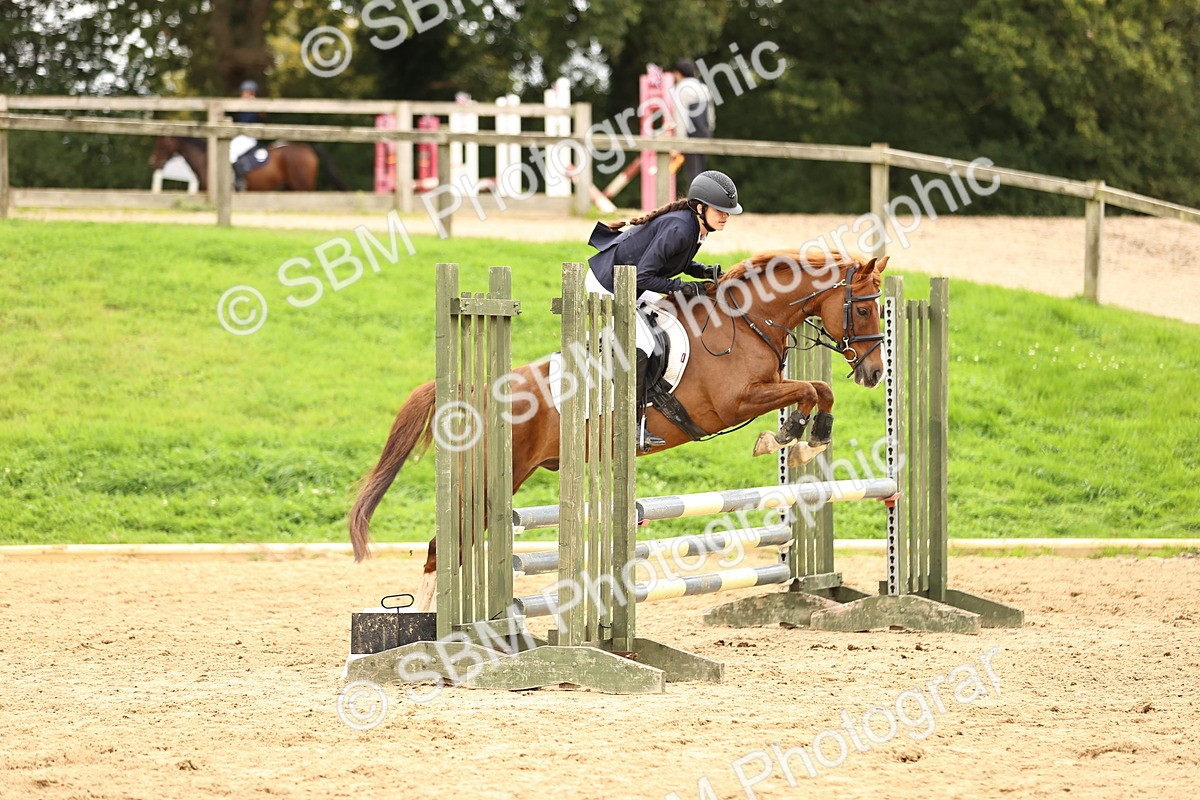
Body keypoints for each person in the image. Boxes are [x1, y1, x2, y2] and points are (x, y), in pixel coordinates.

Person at [587, 170, 743, 451]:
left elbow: (673, 261)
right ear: (700, 207)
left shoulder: (694, 226)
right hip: (609, 284)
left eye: (728, 212)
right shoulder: (681, 228)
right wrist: (682, 287)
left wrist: (701, 270)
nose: (726, 216)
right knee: (644, 343)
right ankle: (630, 424)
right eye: (720, 210)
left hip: (629, 280)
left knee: (668, 324)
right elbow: (643, 277)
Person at [670, 58, 715, 187]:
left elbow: (681, 117)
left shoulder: (681, 89)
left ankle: (696, 204)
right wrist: (709, 131)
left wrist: (679, 142)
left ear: (678, 73)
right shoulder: (703, 87)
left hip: (691, 135)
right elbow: (711, 115)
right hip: (705, 133)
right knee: (702, 172)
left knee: (692, 174)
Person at [230, 80, 264, 190]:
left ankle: (238, 181)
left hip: (247, 137)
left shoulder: (253, 104)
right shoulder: (245, 105)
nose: (241, 94)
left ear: (250, 92)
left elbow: (246, 122)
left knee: (231, 153)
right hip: (242, 135)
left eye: (243, 92)